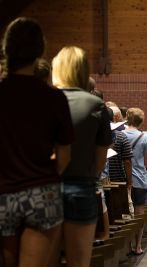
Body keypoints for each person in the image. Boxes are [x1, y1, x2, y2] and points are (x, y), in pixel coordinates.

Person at [0, 17, 73, 267]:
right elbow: (64, 157)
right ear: (40, 49)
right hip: (41, 192)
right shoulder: (54, 99)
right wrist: (41, 177)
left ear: (6, 48)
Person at [52, 46, 112, 267]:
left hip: (46, 189)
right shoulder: (96, 105)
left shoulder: (47, 100)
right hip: (81, 187)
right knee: (79, 262)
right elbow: (100, 160)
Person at [123, 108, 147, 255]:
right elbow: (146, 162)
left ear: (127, 118)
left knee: (125, 213)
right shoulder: (145, 138)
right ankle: (138, 245)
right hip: (140, 179)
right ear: (141, 121)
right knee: (139, 213)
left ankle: (127, 245)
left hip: (123, 180)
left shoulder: (120, 135)